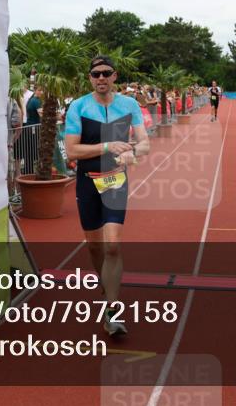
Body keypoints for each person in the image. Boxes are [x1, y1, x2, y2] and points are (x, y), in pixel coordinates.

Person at [64, 55, 150, 338]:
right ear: (90, 78)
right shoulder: (78, 107)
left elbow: (145, 144)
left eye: (106, 73)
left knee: (112, 245)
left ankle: (112, 311)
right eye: (96, 74)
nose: (101, 78)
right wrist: (107, 146)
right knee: (94, 247)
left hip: (114, 180)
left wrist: (131, 152)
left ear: (115, 76)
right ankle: (107, 287)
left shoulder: (129, 105)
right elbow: (73, 151)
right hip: (86, 182)